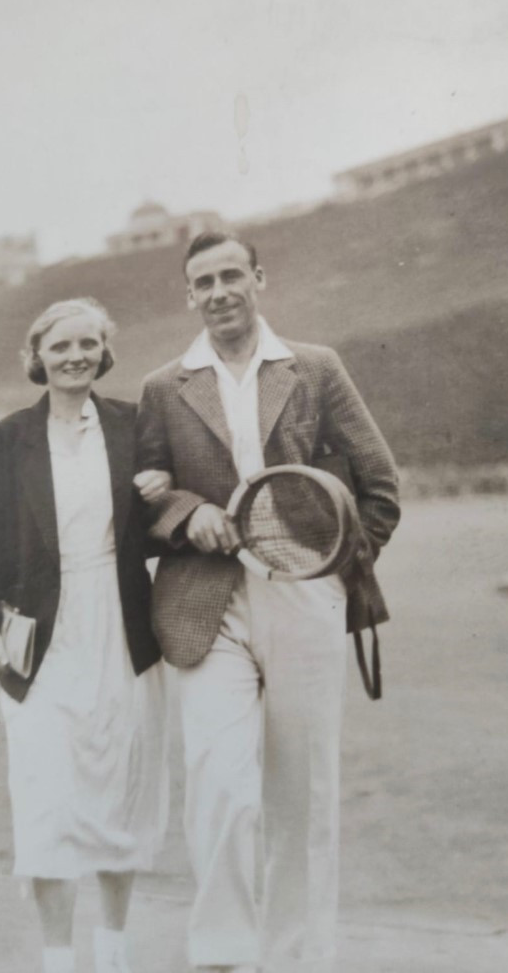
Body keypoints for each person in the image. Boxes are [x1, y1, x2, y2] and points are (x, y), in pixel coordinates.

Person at [135, 232, 400, 973]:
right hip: (204, 603)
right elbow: (145, 498)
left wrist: (333, 570)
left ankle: (296, 957)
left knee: (302, 793)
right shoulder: (163, 386)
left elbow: (380, 486)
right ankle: (222, 953)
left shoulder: (315, 368)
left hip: (304, 598)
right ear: (189, 295)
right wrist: (187, 513)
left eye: (232, 275)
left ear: (259, 278)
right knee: (220, 784)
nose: (220, 291)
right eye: (204, 281)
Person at [0, 298, 169, 973]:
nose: (75, 356)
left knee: (121, 787)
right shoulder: (9, 438)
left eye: (87, 344)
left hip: (123, 626)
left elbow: (166, 518)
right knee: (46, 793)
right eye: (60, 346)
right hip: (40, 634)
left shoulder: (135, 425)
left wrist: (165, 492)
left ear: (104, 352)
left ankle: (113, 951)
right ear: (37, 356)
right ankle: (57, 958)